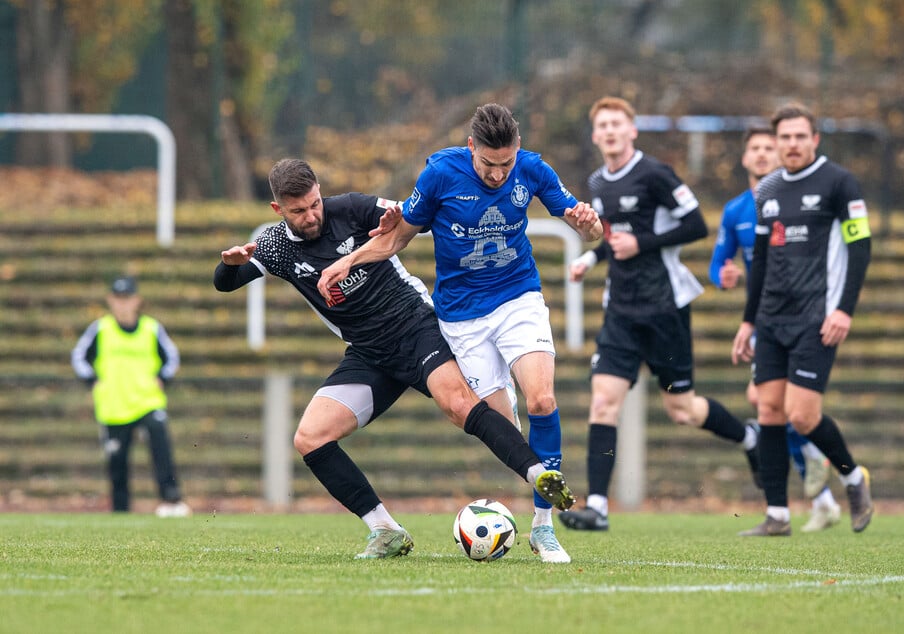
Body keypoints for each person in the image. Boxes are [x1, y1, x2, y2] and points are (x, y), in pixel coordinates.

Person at [214, 158, 575, 560]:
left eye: (315, 203)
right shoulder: (276, 246)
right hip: (369, 354)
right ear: (278, 210)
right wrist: (229, 266)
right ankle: (385, 530)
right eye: (298, 211)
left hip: (415, 327)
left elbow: (408, 215)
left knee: (459, 406)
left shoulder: (350, 208)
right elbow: (226, 283)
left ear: (320, 191)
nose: (311, 215)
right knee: (309, 438)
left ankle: (539, 475)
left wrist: (394, 217)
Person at [317, 103, 602, 563]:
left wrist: (590, 226)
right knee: (502, 429)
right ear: (471, 147)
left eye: (506, 164)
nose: (497, 174)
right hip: (461, 317)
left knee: (543, 400)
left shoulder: (532, 170)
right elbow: (396, 237)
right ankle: (511, 418)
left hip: (517, 298)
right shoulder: (440, 174)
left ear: (518, 151)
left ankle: (544, 528)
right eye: (489, 164)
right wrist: (347, 261)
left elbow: (586, 229)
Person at [557, 96, 760, 532]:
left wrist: (643, 244)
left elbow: (696, 225)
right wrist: (589, 261)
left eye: (617, 124)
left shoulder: (655, 174)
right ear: (595, 136)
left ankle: (750, 438)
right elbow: (613, 238)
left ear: (632, 131)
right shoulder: (598, 181)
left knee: (682, 409)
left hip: (665, 308)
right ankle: (597, 507)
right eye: (603, 126)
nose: (610, 131)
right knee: (603, 401)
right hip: (621, 312)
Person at [732, 102, 873, 536]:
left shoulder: (839, 183)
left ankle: (853, 478)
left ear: (814, 139)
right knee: (770, 410)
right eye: (784, 137)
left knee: (802, 416)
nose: (792, 144)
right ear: (775, 143)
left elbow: (860, 247)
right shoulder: (767, 190)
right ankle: (777, 514)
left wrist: (844, 310)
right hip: (772, 317)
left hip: (818, 317)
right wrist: (749, 322)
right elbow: (760, 263)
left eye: (800, 136)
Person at [711, 126, 841, 533]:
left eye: (771, 147)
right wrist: (724, 275)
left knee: (766, 402)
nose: (765, 154)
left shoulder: (794, 201)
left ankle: (815, 480)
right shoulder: (736, 211)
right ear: (746, 159)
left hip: (801, 316)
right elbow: (718, 264)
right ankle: (819, 492)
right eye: (757, 149)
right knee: (770, 405)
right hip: (765, 319)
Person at [71, 276, 191, 517]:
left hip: (147, 401)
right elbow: (79, 357)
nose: (123, 304)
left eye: (127, 299)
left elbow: (172, 357)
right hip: (114, 406)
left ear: (136, 301)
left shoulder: (151, 328)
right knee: (117, 463)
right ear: (110, 301)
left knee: (161, 448)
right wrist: (92, 381)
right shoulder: (101, 328)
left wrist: (162, 378)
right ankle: (121, 510)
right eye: (118, 299)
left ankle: (171, 500)